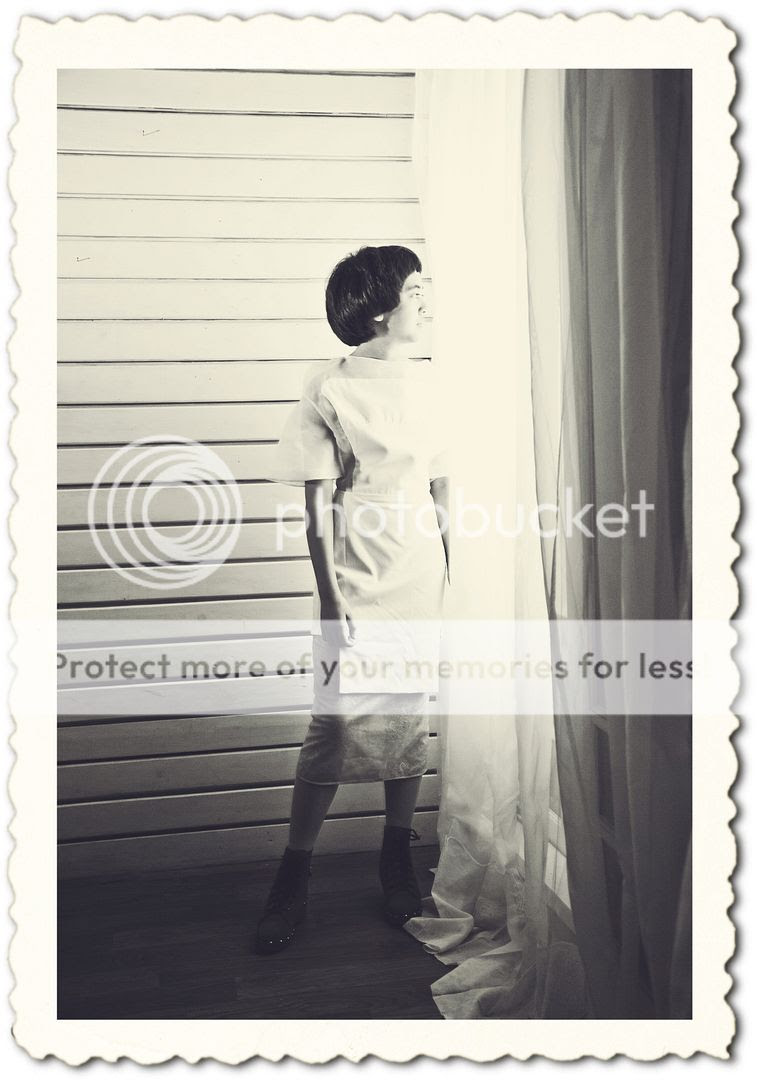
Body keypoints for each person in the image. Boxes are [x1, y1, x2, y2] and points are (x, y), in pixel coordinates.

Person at [253, 245, 450, 955]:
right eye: (415, 289)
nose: (426, 300)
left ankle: (395, 857)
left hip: (418, 568)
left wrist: (457, 572)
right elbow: (315, 510)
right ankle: (293, 874)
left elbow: (442, 486)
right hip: (356, 569)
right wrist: (330, 599)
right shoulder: (329, 388)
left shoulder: (432, 384)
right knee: (333, 726)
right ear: (378, 308)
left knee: (409, 715)